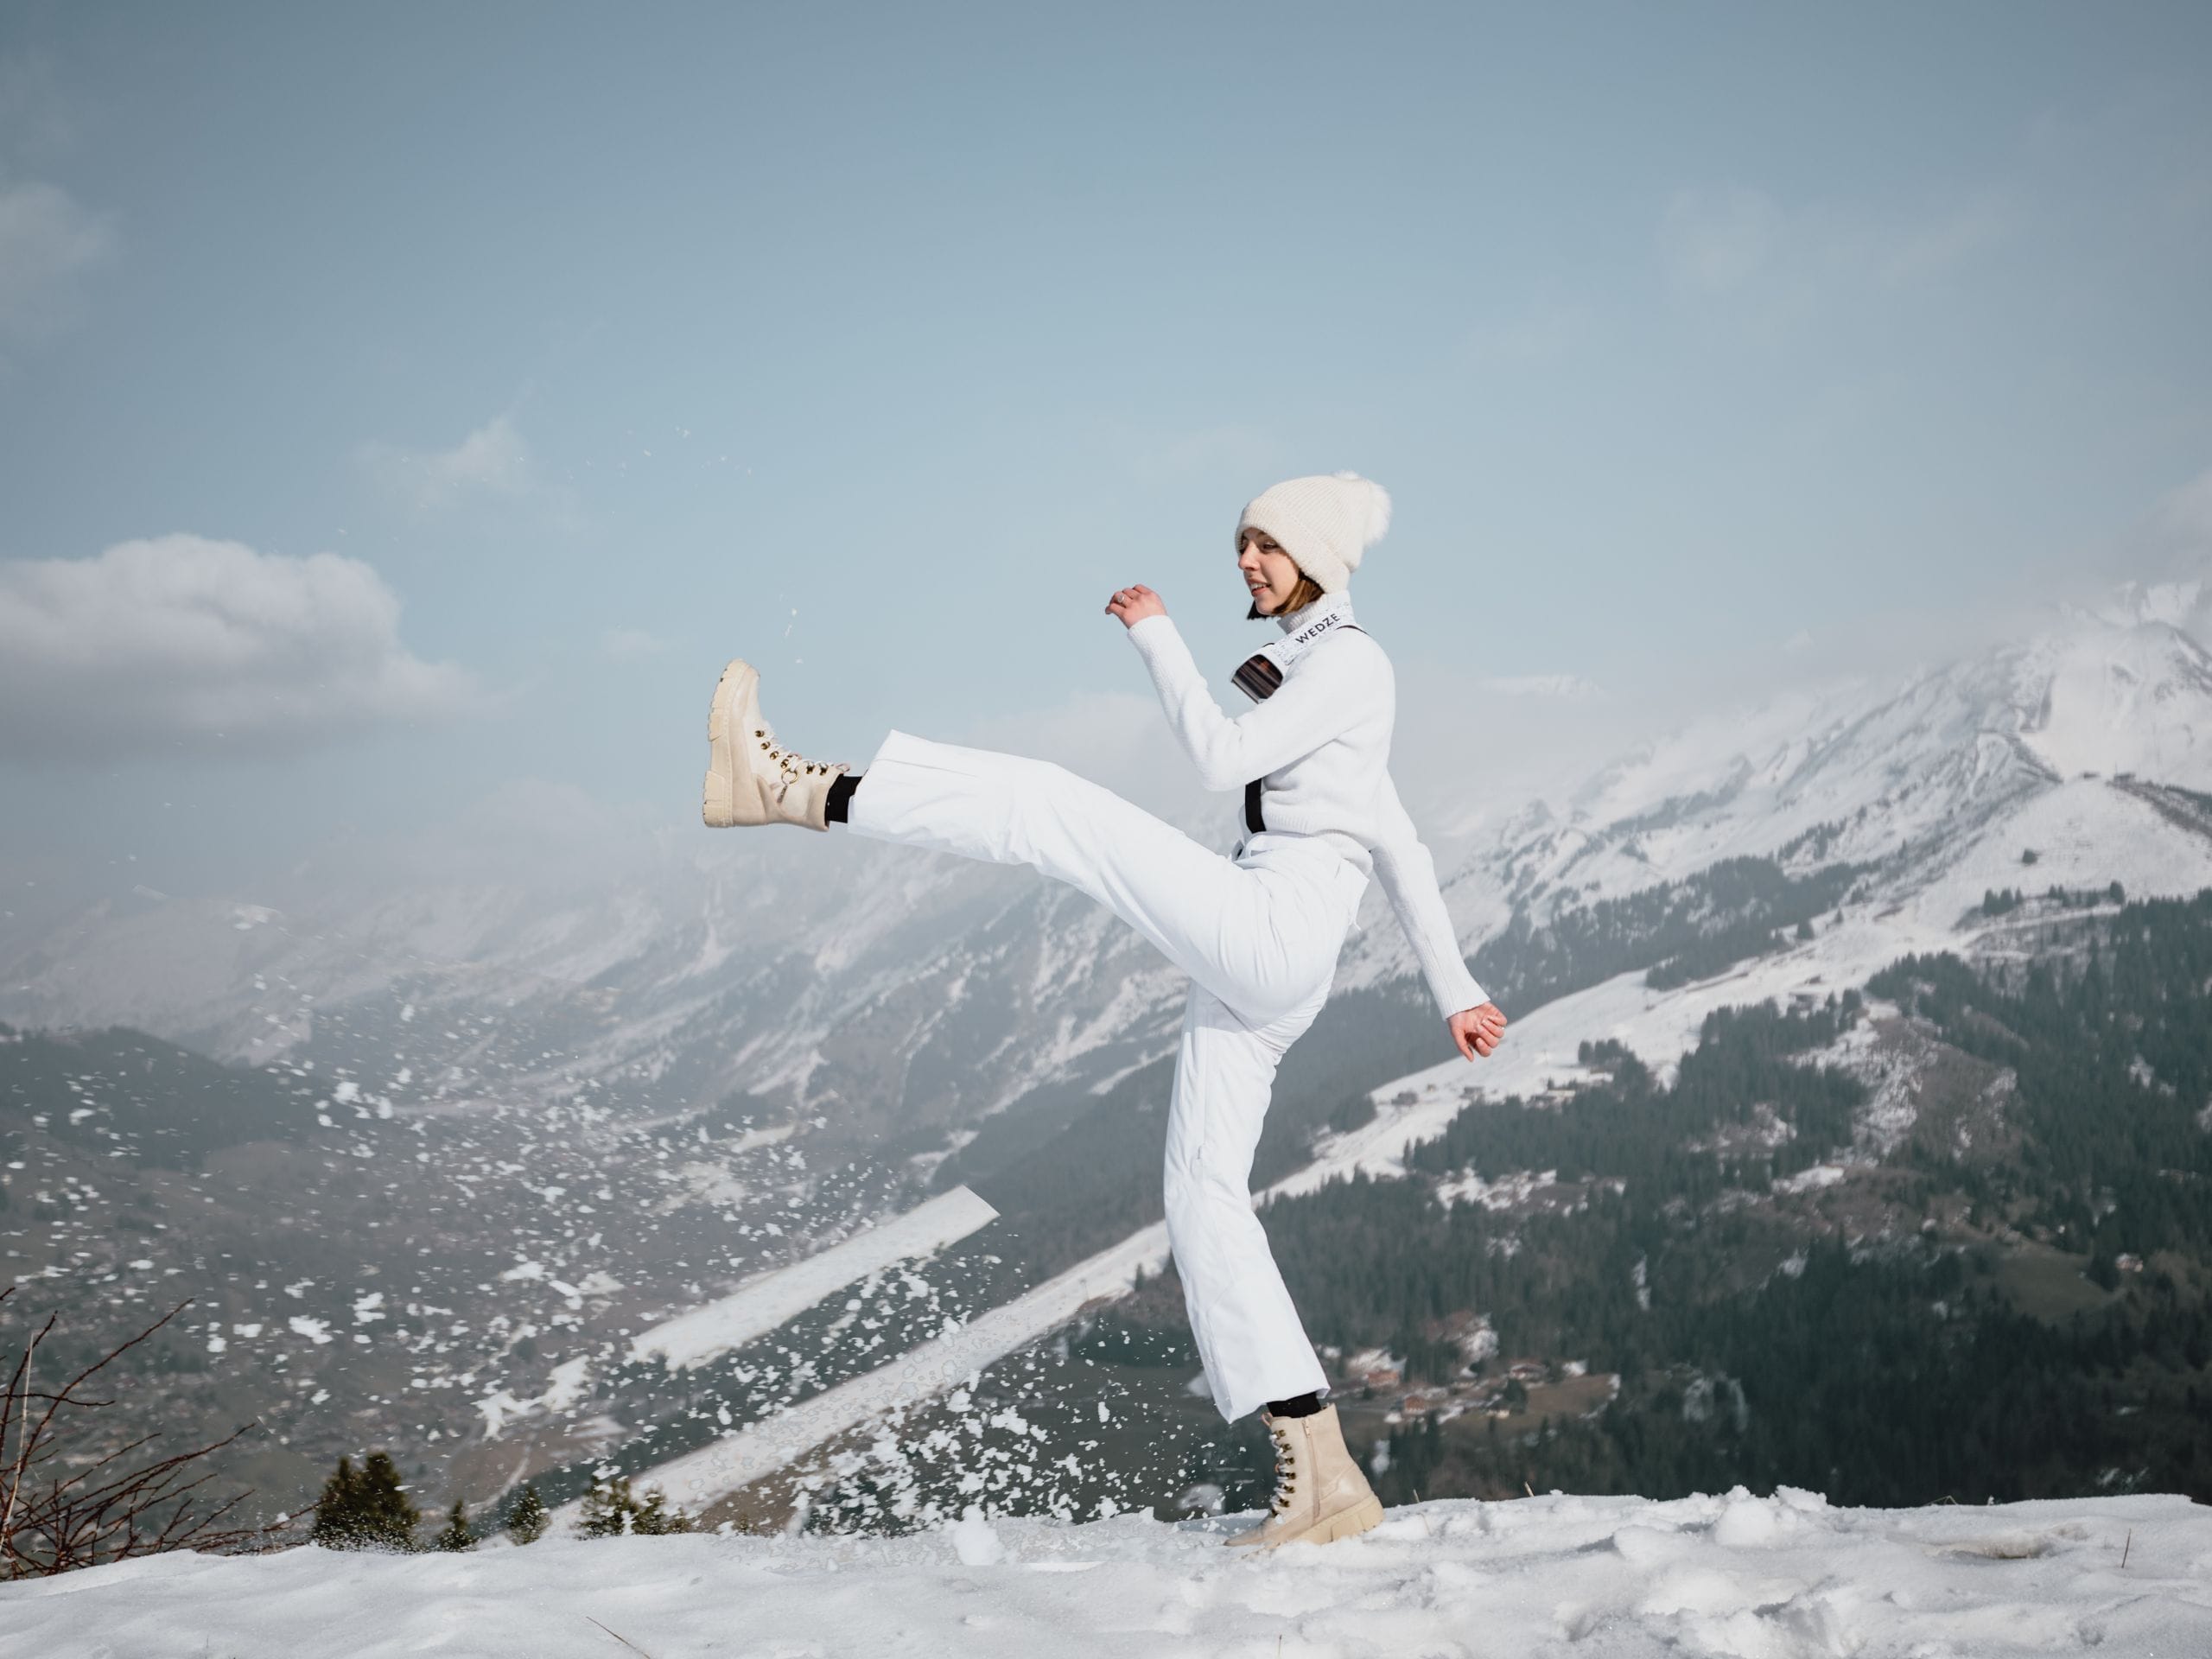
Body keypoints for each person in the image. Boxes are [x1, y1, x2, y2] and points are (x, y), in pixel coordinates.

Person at [700, 471, 1508, 1548]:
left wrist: (1158, 639)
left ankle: (800, 792)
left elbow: (1223, 757)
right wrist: (1457, 993)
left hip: (1273, 928)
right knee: (1202, 1195)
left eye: (1264, 545)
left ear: (1312, 554)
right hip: (1267, 943)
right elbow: (1397, 840)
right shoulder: (1330, 668)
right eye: (1242, 544)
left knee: (1048, 805)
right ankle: (1322, 1475)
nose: (1245, 562)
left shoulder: (1354, 663)